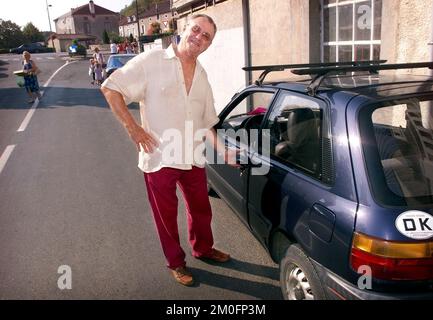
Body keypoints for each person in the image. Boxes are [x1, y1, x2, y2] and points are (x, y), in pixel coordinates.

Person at [101, 14, 235, 287]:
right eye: (196, 29)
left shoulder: (202, 74)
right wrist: (133, 128)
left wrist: (223, 151)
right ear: (184, 28)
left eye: (206, 36)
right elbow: (111, 88)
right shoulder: (151, 61)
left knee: (201, 208)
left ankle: (203, 248)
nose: (199, 37)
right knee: (166, 215)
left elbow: (207, 121)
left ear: (208, 45)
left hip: (192, 156)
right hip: (159, 156)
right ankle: (176, 262)